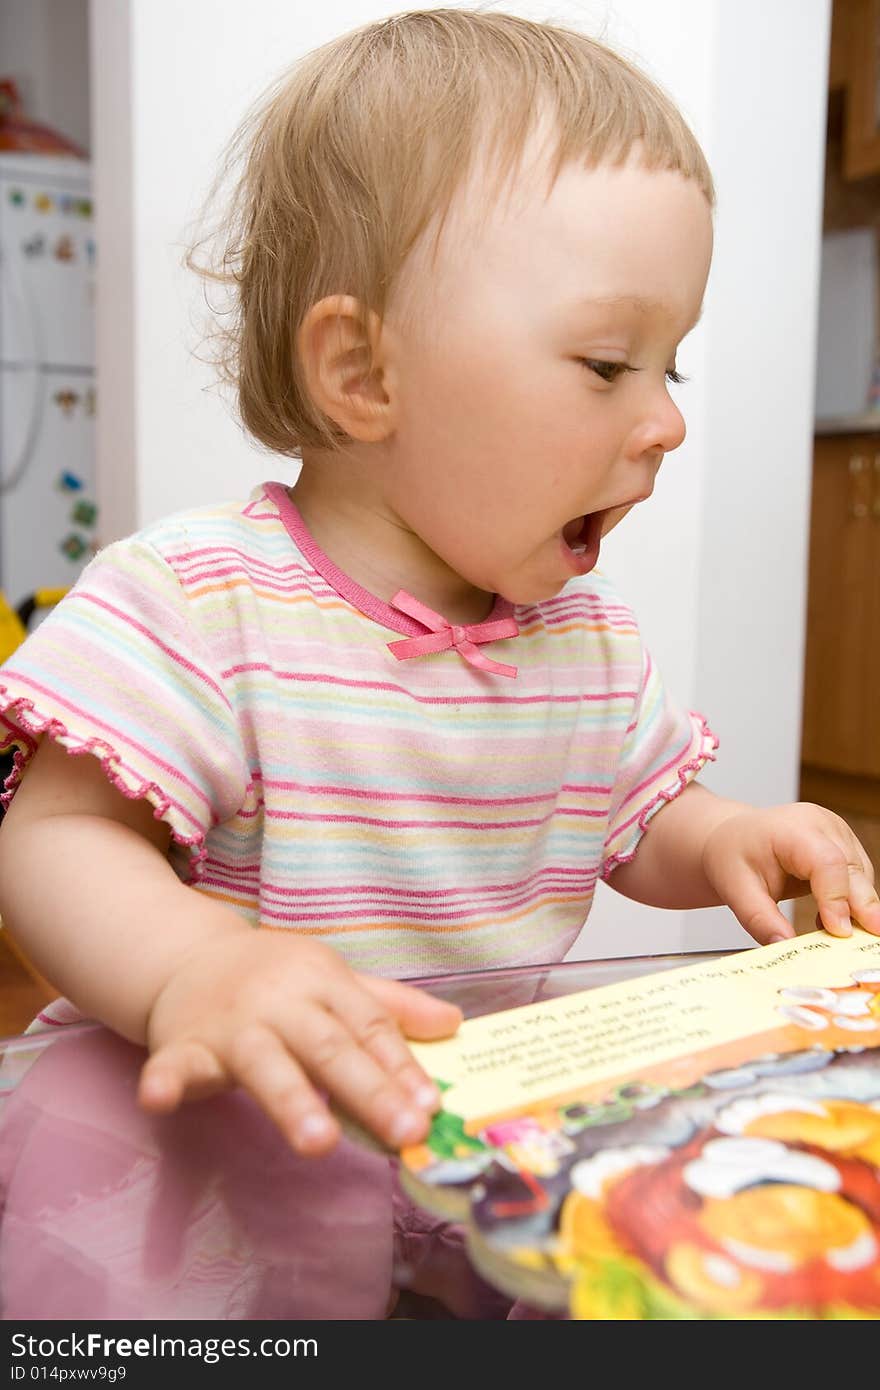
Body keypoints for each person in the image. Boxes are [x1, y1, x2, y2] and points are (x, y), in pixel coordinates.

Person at [0, 8, 876, 1321]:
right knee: (98, 1122)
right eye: (606, 363)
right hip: (240, 1111)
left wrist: (732, 835)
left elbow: (639, 817)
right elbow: (58, 841)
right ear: (362, 370)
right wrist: (195, 966)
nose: (668, 421)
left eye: (672, 362)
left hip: (465, 1108)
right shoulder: (197, 600)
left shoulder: (585, 643)